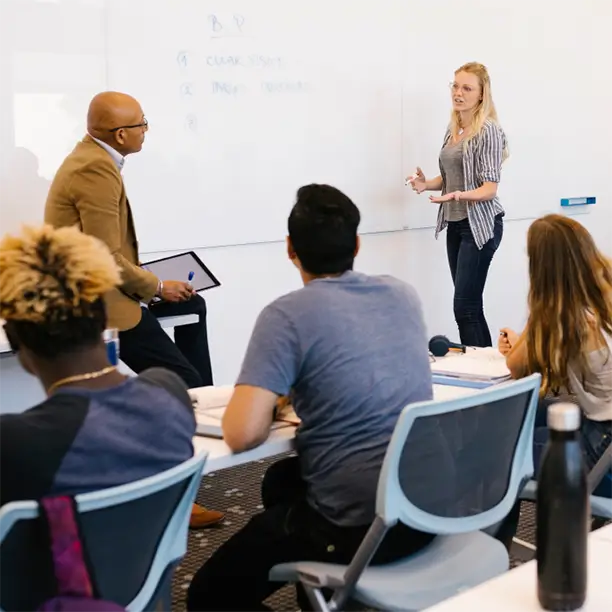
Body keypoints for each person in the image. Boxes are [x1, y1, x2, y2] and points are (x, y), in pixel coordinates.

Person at [187, 184, 436, 611]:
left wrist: (276, 400)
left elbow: (243, 433)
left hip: (357, 522)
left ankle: (331, 581)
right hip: (428, 505)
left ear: (290, 249)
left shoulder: (286, 315)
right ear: (357, 244)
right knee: (281, 481)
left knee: (207, 595)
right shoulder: (402, 294)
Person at [44, 91, 222, 528]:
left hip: (108, 287)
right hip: (94, 303)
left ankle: (202, 418)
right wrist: (156, 285)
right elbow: (104, 256)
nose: (146, 130)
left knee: (193, 306)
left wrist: (156, 286)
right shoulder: (95, 168)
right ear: (122, 134)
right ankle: (164, 484)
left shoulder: (97, 158)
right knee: (179, 382)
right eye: (143, 124)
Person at [0, 224, 196, 506]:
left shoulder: (14, 443)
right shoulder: (170, 392)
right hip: (155, 551)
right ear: (104, 316)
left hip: (63, 552)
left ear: (21, 347)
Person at [498, 214, 612, 497]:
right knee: (534, 410)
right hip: (603, 431)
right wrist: (527, 337)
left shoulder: (564, 315)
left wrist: (537, 309)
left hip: (602, 442)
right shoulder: (603, 286)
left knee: (500, 445)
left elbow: (516, 368)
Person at [408, 62, 508, 348]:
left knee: (464, 308)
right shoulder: (455, 129)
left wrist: (459, 195)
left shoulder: (487, 130)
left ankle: (485, 375)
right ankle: (486, 371)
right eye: (455, 86)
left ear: (481, 94)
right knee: (469, 308)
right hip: (455, 222)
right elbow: (453, 178)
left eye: (467, 88)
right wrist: (426, 184)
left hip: (480, 225)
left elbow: (489, 188)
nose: (458, 93)